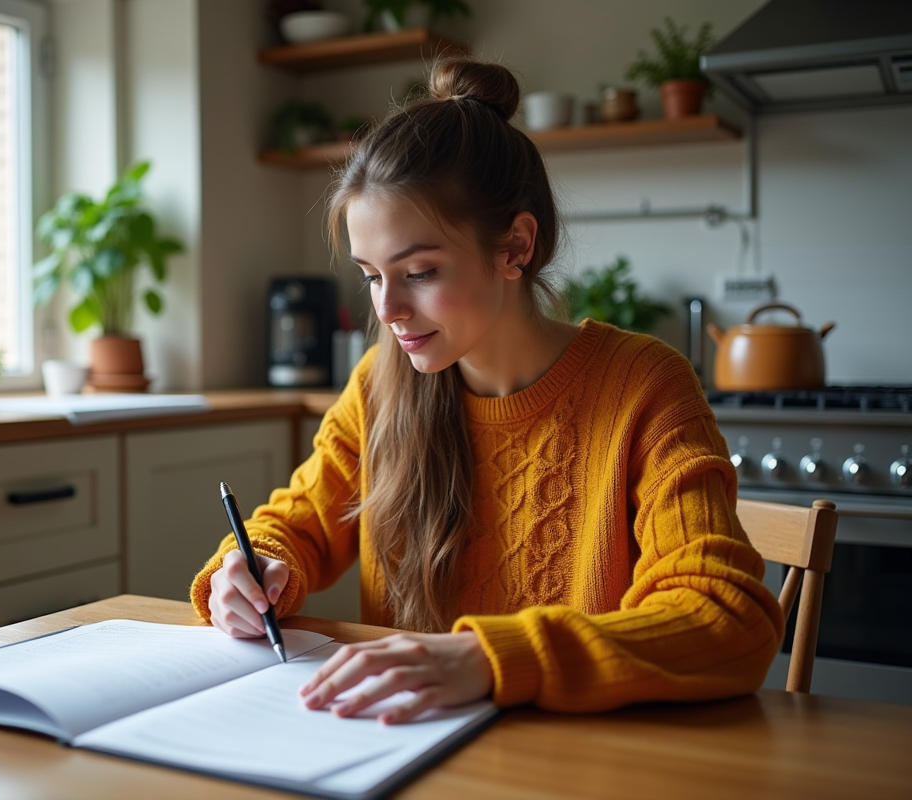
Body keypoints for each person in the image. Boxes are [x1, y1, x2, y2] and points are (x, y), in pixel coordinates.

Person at [190, 56, 783, 724]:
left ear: (516, 247)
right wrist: (252, 569)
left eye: (417, 272)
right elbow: (292, 523)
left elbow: (727, 617)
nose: (387, 311)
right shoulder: (380, 387)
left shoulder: (643, 386)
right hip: (403, 756)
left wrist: (488, 658)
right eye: (371, 275)